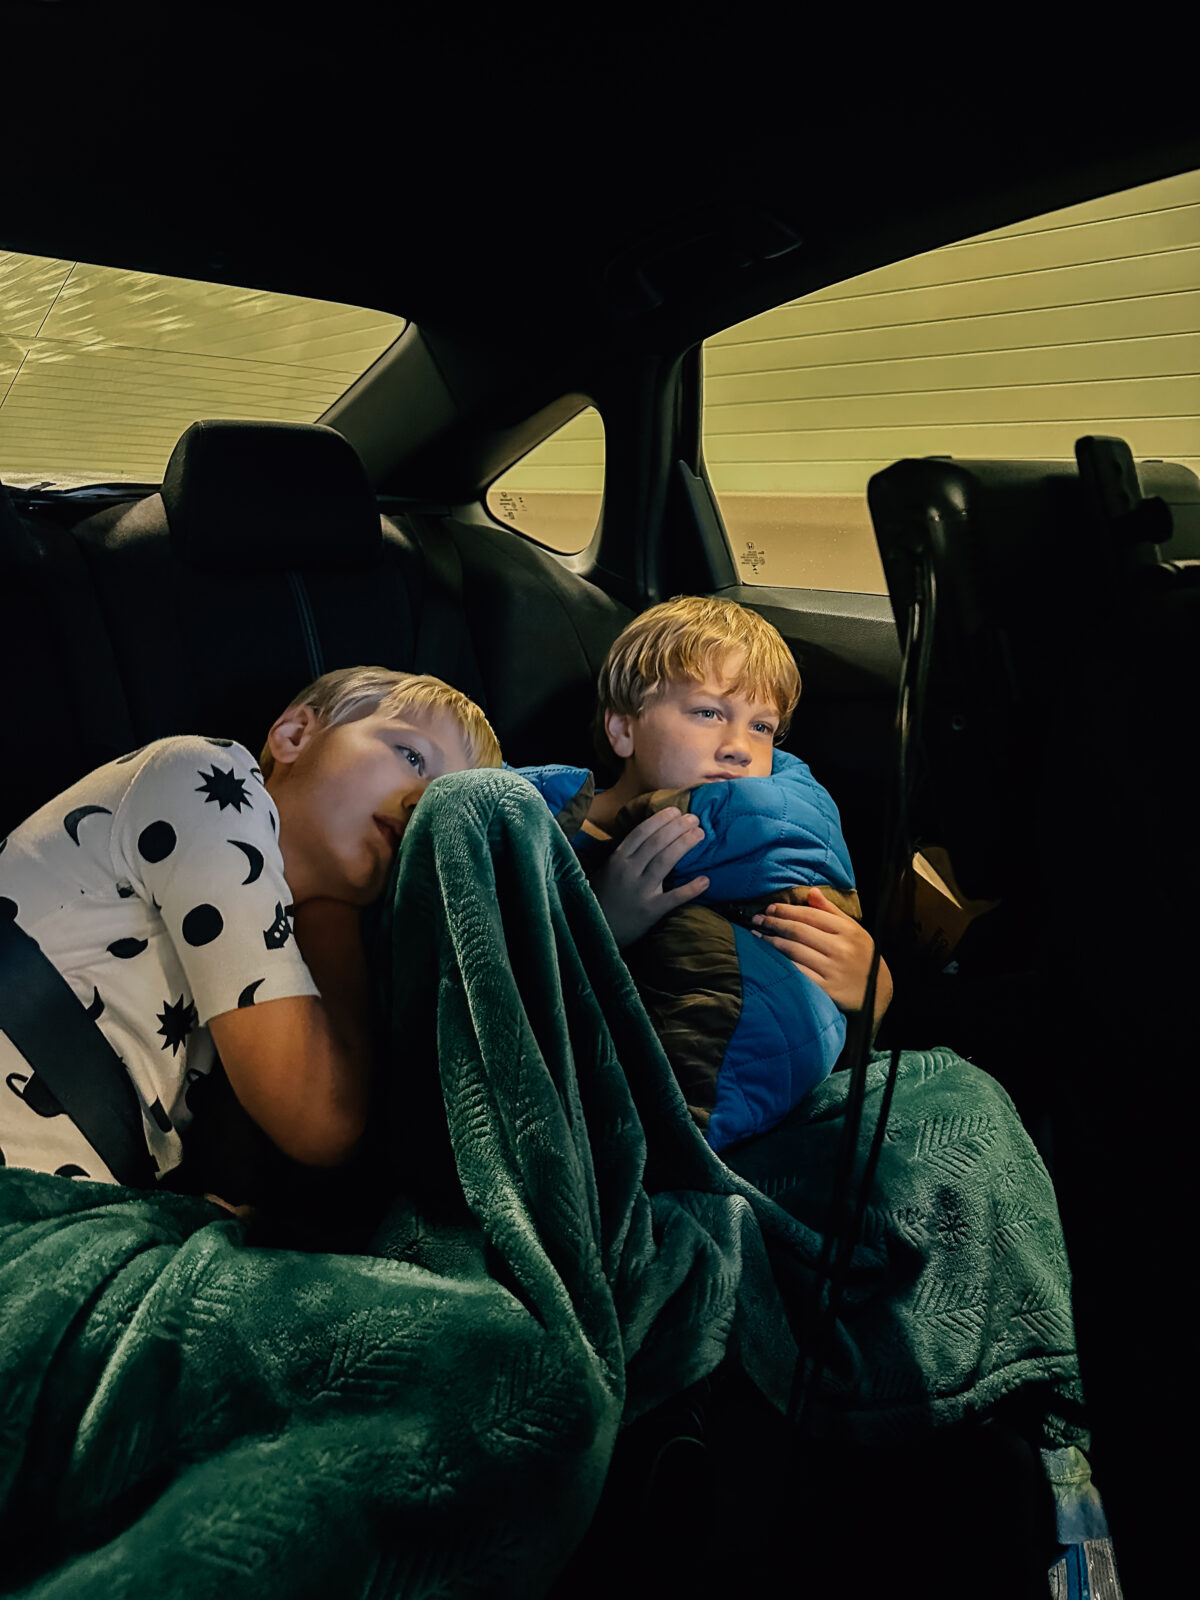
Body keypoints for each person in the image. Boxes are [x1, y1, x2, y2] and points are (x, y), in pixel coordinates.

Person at [0, 666, 501, 1192]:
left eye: (443, 797)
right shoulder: (209, 780)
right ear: (294, 736)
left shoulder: (274, 931)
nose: (423, 802)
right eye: (413, 756)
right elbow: (320, 1118)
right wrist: (336, 913)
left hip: (86, 1191)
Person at [520, 596, 893, 1150]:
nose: (740, 748)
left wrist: (872, 996)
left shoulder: (768, 845)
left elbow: (791, 1032)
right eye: (709, 713)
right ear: (623, 729)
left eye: (762, 726)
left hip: (753, 1119)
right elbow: (505, 989)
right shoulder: (546, 828)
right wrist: (604, 925)